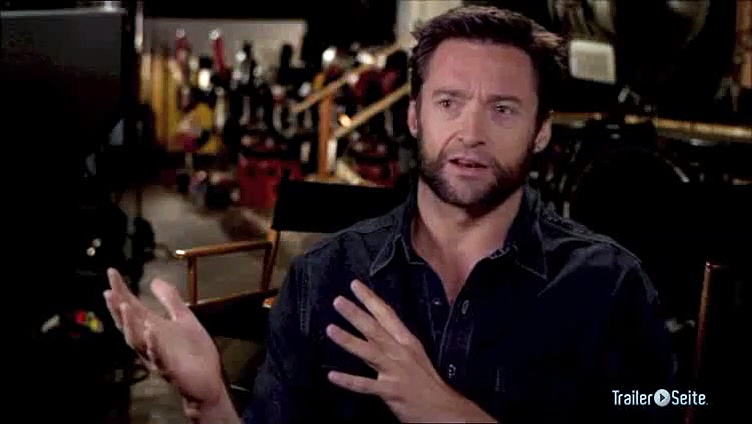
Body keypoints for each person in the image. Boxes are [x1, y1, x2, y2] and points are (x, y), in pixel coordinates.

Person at [104, 6, 676, 423]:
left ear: (542, 130)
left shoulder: (611, 285)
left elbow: (675, 404)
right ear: (414, 117)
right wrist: (210, 402)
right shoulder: (323, 278)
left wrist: (450, 414)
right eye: (449, 103)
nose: (471, 133)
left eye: (503, 109)